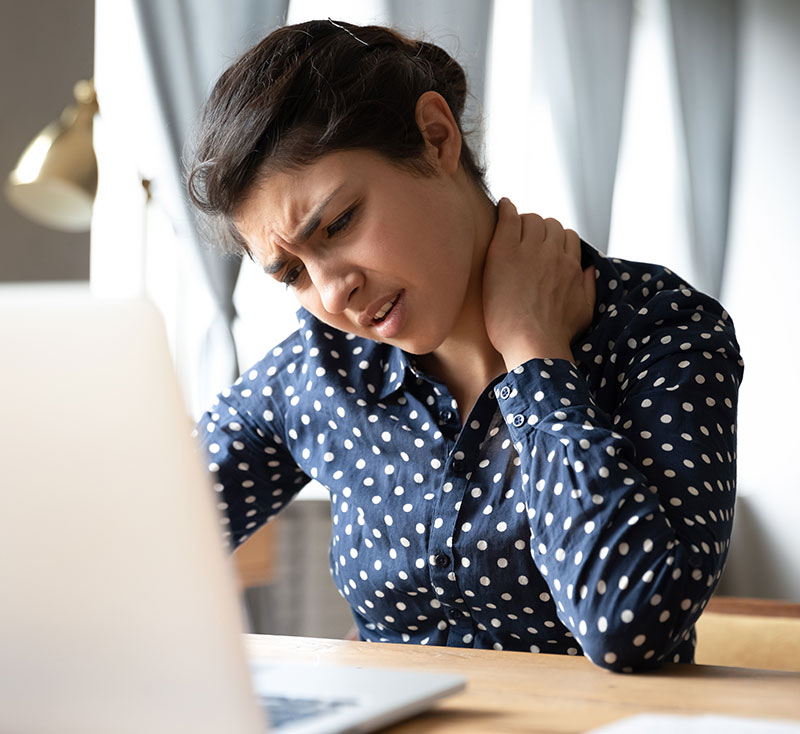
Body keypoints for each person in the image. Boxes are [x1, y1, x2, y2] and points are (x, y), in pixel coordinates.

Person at [186, 19, 743, 673]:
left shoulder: (660, 330)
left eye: (339, 223)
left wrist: (536, 352)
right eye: (294, 273)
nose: (333, 292)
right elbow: (148, 543)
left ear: (436, 137)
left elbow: (631, 625)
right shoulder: (318, 374)